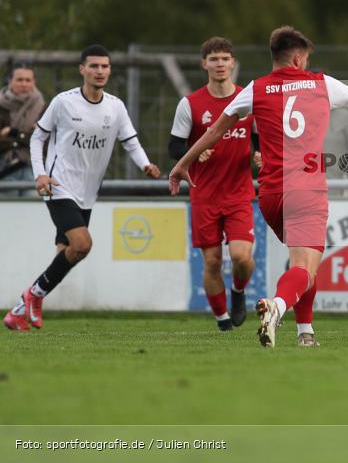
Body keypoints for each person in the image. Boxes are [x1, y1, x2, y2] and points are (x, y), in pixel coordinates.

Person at [169, 26, 348, 348]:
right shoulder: (321, 83)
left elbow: (215, 129)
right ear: (298, 58)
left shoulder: (255, 89)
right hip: (307, 189)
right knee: (305, 267)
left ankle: (305, 334)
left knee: (303, 262)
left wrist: (182, 163)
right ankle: (277, 307)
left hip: (270, 193)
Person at [4, 45, 160, 332]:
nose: (100, 71)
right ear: (82, 70)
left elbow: (130, 141)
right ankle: (32, 296)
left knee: (68, 252)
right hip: (58, 186)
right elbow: (37, 139)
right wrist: (40, 175)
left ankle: (18, 311)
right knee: (82, 244)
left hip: (87, 193)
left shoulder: (115, 106)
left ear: (110, 70)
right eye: (94, 66)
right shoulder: (64, 102)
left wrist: (145, 165)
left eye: (105, 66)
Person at [169, 37, 259, 332]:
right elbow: (174, 147)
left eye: (224, 59)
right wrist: (195, 151)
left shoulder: (248, 99)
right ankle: (222, 319)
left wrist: (260, 156)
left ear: (233, 63)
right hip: (204, 195)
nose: (219, 64)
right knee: (212, 263)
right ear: (203, 64)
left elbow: (261, 140)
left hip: (238, 193)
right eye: (214, 59)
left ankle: (238, 291)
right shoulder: (191, 104)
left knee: (241, 258)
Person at [0, 63, 45, 188]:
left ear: (34, 82)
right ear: (10, 81)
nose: (24, 84)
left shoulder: (44, 108)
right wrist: (28, 135)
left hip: (35, 170)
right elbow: (36, 137)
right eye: (19, 80)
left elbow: (47, 141)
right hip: (4, 169)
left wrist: (12, 132)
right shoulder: (1, 107)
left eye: (28, 80)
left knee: (34, 207)